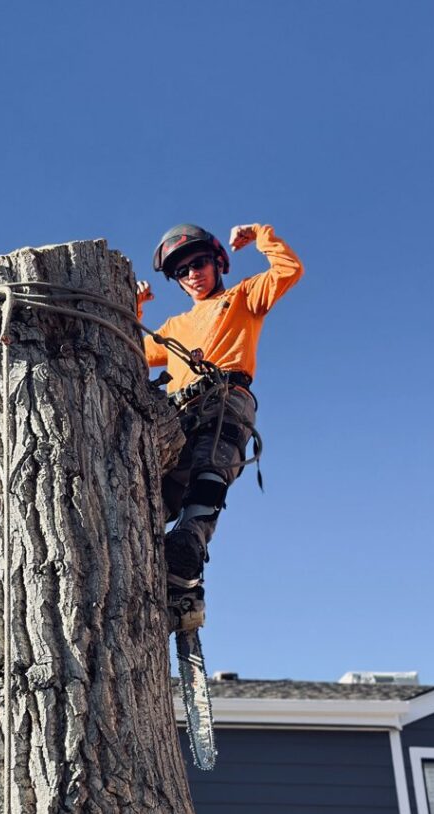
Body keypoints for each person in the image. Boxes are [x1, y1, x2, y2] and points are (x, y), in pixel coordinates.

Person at [137, 222, 303, 632]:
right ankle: (168, 569)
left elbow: (288, 271)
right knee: (156, 494)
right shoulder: (173, 328)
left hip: (226, 395)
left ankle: (190, 542)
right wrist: (135, 308)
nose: (193, 274)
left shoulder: (242, 297)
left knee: (213, 464)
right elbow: (129, 353)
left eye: (199, 264)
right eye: (182, 271)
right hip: (177, 413)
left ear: (218, 262)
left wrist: (262, 235)